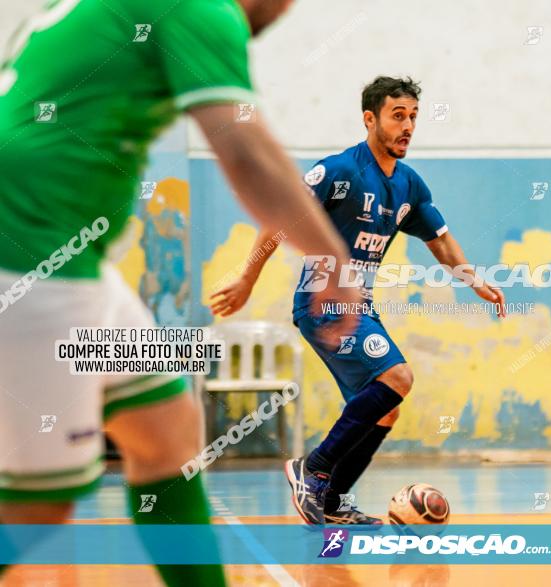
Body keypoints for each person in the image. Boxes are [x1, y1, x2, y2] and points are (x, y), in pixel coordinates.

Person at [0, 0, 359, 584]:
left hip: (69, 255)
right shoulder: (202, 7)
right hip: (28, 254)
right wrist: (331, 257)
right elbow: (245, 151)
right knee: (39, 508)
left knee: (165, 432)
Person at [210, 76, 506, 525]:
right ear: (370, 119)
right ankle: (312, 469)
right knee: (399, 376)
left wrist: (475, 281)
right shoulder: (339, 171)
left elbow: (440, 240)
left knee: (385, 409)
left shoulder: (408, 185)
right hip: (321, 302)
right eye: (397, 116)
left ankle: (331, 501)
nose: (407, 126)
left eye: (413, 117)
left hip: (360, 305)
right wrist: (248, 278)